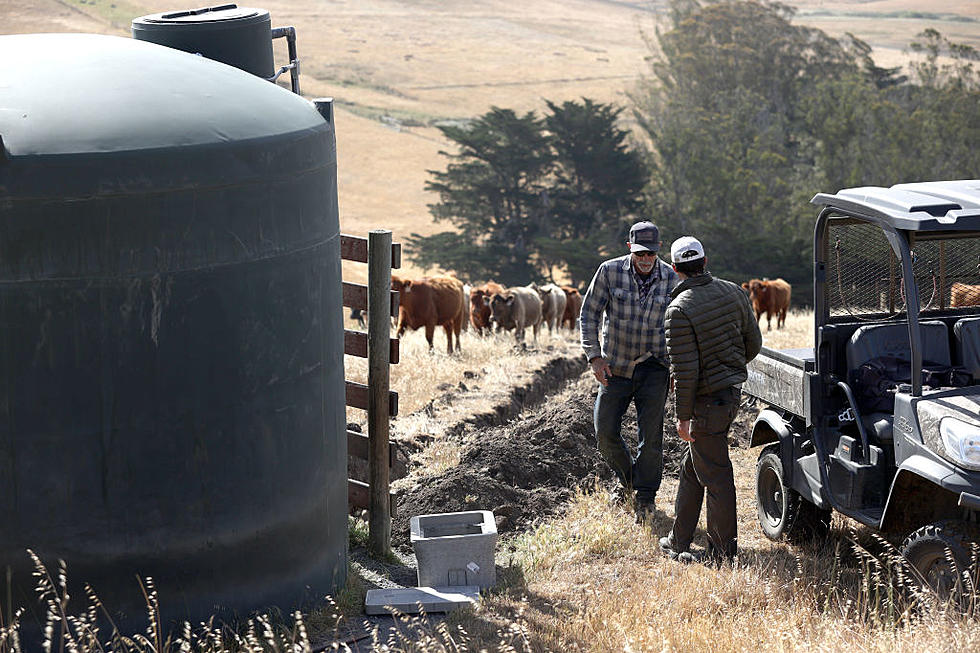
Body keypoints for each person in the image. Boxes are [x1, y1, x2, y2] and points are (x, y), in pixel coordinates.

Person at [658, 236, 762, 564]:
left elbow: (685, 373)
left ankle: (721, 555)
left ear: (675, 269)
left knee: (715, 475)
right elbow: (753, 344)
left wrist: (682, 416)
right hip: (730, 396)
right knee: (693, 467)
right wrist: (729, 367)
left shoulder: (678, 310)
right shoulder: (734, 291)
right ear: (705, 261)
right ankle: (678, 540)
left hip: (705, 405)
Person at [580, 221, 678, 520]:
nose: (645, 260)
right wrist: (595, 357)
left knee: (651, 438)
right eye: (640, 254)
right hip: (616, 366)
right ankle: (627, 479)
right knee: (605, 431)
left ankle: (645, 496)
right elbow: (589, 313)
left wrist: (676, 369)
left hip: (655, 367)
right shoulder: (609, 271)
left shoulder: (672, 278)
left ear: (658, 250)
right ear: (629, 249)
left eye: (650, 254)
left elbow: (682, 327)